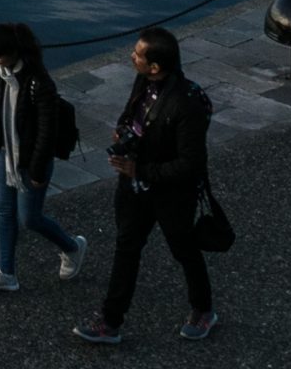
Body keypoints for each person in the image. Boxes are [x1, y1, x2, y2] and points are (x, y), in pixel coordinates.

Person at [74, 26, 217, 346]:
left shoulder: (185, 104)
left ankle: (203, 309)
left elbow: (190, 163)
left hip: (170, 192)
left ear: (155, 66)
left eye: (137, 54)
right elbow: (134, 115)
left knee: (183, 249)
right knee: (126, 248)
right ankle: (110, 321)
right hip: (134, 185)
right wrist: (123, 130)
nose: (131, 56)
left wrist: (142, 169)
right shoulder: (146, 81)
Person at [0, 23, 86, 294]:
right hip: (6, 151)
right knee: (3, 211)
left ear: (15, 52)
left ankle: (72, 246)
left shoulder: (39, 82)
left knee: (30, 218)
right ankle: (6, 272)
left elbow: (47, 130)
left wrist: (36, 170)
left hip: (32, 158)